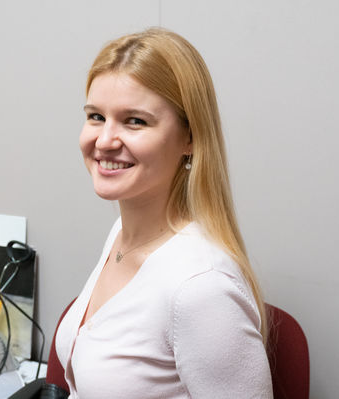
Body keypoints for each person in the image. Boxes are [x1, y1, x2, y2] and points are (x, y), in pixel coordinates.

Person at [55, 27, 273, 398]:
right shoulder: (122, 235)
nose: (104, 140)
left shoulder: (201, 287)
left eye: (134, 121)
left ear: (190, 138)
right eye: (95, 116)